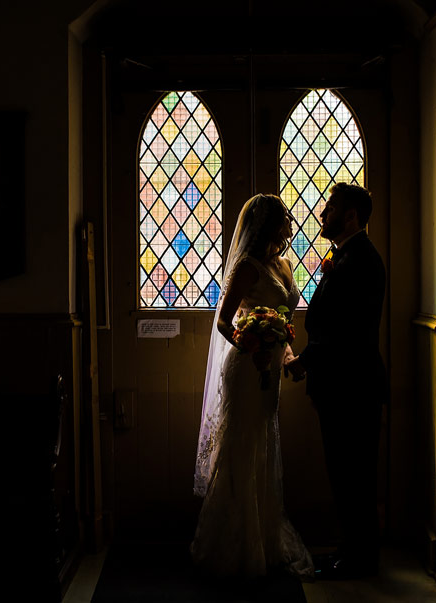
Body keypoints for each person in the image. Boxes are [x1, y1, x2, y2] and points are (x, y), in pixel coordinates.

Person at [191, 193, 314, 580]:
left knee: (264, 445)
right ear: (263, 227)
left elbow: (283, 321)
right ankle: (235, 544)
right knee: (241, 447)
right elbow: (225, 321)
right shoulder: (246, 267)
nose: (285, 232)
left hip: (273, 368)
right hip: (246, 367)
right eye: (279, 225)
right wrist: (251, 343)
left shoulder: (284, 265)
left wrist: (289, 356)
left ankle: (264, 535)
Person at [285, 182, 387, 579]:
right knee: (345, 476)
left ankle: (360, 561)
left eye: (330, 208)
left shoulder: (360, 261)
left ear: (350, 217)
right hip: (343, 387)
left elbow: (342, 332)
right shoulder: (346, 256)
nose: (322, 214)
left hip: (352, 389)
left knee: (355, 478)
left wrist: (303, 362)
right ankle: (351, 552)